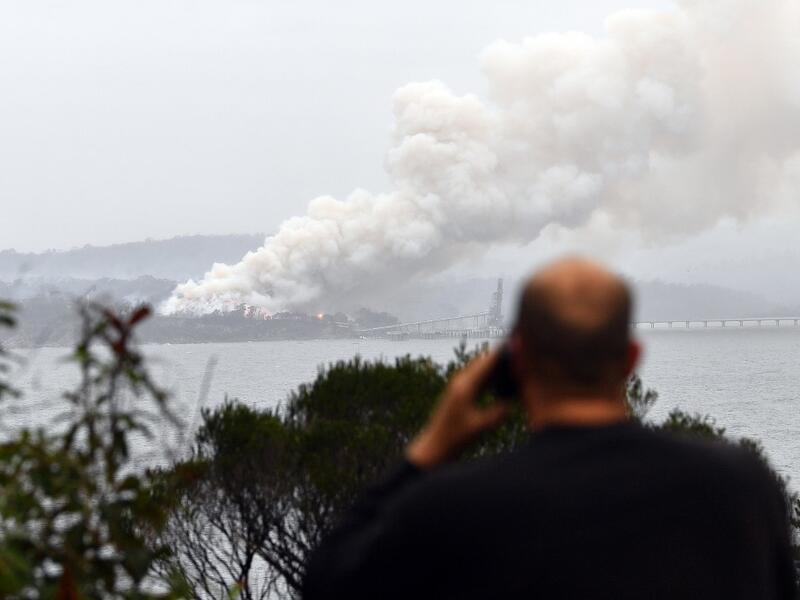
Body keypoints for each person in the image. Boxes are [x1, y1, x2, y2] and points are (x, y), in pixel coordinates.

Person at [302, 257, 797, 599]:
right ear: (630, 358)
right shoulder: (739, 484)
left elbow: (329, 583)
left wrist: (429, 451)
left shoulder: (454, 506)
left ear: (516, 360)